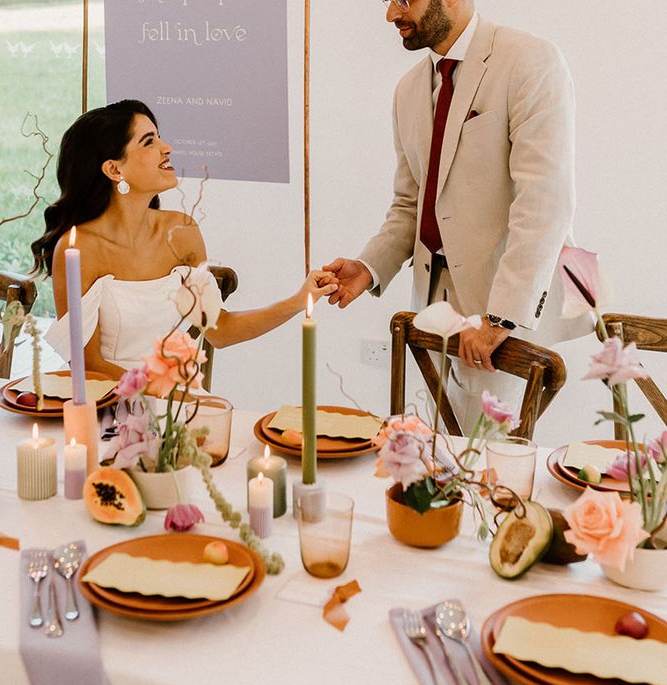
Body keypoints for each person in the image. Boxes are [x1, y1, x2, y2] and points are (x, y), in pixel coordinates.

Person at [324, 0, 591, 428]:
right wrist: (370, 266)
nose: (391, 14)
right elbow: (412, 204)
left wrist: (499, 317)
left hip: (503, 312)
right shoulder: (407, 90)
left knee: (490, 464)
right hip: (430, 309)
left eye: (403, 0)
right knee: (442, 452)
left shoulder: (530, 60)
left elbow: (545, 202)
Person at [32, 99, 336, 380]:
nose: (167, 148)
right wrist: (155, 393)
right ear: (114, 169)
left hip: (177, 403)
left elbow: (220, 329)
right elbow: (87, 365)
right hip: (111, 404)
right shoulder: (79, 248)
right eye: (149, 142)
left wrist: (299, 300)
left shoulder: (183, 231)